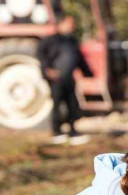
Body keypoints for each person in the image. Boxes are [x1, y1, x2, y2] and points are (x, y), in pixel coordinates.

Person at [37, 15, 93, 145]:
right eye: (69, 23)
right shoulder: (50, 40)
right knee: (57, 105)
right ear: (61, 24)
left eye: (73, 24)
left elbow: (78, 58)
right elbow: (41, 55)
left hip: (69, 78)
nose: (71, 26)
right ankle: (57, 131)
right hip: (56, 79)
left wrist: (88, 72)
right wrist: (48, 70)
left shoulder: (72, 41)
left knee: (72, 105)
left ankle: (73, 131)